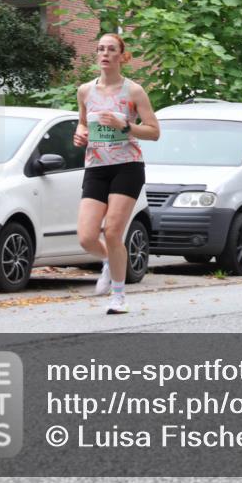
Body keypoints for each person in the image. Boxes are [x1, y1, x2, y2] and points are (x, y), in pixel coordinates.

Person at [74, 33, 160, 314]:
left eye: (111, 49)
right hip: (96, 166)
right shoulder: (85, 91)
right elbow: (82, 124)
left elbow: (154, 132)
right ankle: (111, 261)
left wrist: (126, 127)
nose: (105, 53)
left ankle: (118, 296)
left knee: (112, 231)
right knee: (87, 237)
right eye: (100, 49)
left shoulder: (133, 91)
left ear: (122, 56)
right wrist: (80, 135)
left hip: (127, 166)